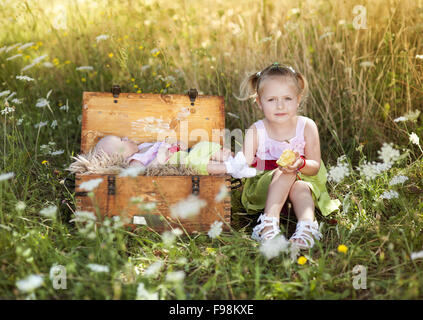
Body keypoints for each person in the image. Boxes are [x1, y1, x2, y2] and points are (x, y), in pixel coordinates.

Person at [236, 62, 341, 248]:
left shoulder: (307, 126)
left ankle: (307, 227)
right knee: (285, 172)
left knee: (299, 184)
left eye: (287, 98)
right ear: (259, 103)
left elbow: (315, 166)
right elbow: (242, 163)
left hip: (303, 184)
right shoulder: (256, 130)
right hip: (266, 189)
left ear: (298, 99)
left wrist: (299, 163)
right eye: (271, 100)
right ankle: (267, 225)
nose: (280, 106)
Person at [93, 135, 256, 178]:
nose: (127, 138)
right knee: (197, 164)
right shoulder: (134, 161)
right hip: (178, 163)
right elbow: (146, 173)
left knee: (204, 146)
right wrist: (161, 157)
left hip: (181, 153)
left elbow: (163, 145)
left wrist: (175, 144)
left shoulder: (142, 147)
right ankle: (230, 168)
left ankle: (235, 163)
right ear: (120, 155)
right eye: (122, 141)